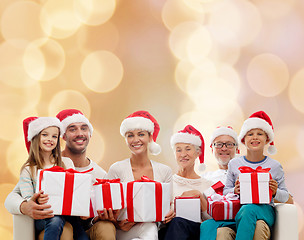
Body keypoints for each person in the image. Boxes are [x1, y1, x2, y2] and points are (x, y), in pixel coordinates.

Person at [201, 111, 290, 240]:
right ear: (243, 139)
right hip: (239, 211)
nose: (254, 137)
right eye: (250, 134)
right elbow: (226, 190)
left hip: (265, 211)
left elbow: (286, 197)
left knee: (249, 209)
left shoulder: (275, 166)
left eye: (259, 134)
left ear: (267, 139)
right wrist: (234, 190)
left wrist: (275, 192)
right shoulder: (234, 164)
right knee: (209, 224)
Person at [106, 110, 173, 240]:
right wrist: (118, 224)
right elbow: (107, 205)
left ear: (150, 137)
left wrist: (171, 213)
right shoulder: (116, 169)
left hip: (155, 231)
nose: (136, 140)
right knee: (149, 229)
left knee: (150, 228)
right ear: (125, 139)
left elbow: (169, 206)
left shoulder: (165, 171)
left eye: (141, 134)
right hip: (124, 231)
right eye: (130, 135)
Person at [19, 116, 88, 240]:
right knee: (55, 220)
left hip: (67, 212)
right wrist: (37, 200)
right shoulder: (28, 169)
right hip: (44, 215)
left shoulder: (66, 163)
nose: (50, 139)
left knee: (80, 232)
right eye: (45, 135)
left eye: (54, 136)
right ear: (36, 137)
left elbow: (74, 189)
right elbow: (28, 200)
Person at [56, 109, 116, 240]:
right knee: (65, 231)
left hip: (86, 228)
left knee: (106, 227)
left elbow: (95, 216)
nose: (80, 134)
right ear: (63, 135)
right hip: (58, 227)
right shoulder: (52, 164)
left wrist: (98, 217)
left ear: (90, 133)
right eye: (72, 129)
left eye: (84, 128)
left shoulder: (101, 174)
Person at [159, 125, 213, 240]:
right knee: (175, 223)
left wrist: (199, 196)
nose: (183, 154)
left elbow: (211, 221)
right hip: (168, 231)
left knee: (178, 222)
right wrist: (167, 215)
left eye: (188, 149)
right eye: (179, 150)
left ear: (197, 152)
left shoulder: (208, 185)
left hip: (196, 233)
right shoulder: (167, 182)